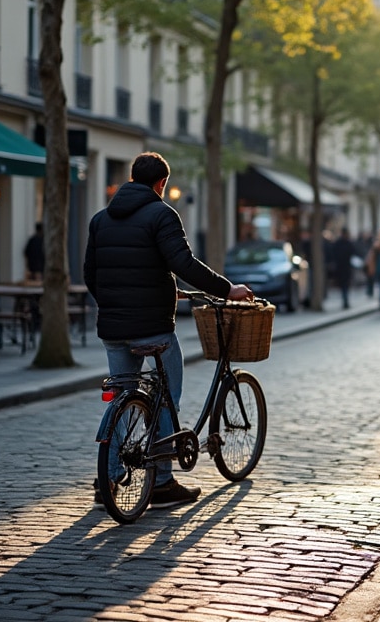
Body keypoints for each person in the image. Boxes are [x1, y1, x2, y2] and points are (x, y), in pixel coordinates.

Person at [84, 152, 253, 510]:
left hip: (113, 327)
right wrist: (227, 289)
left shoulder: (100, 219)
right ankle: (161, 482)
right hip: (153, 329)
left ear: (131, 178)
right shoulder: (163, 214)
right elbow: (182, 263)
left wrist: (116, 304)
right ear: (161, 183)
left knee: (123, 398)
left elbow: (91, 273)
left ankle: (106, 480)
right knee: (165, 398)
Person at [328, 227, 356, 310]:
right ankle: (345, 301)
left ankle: (345, 300)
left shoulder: (341, 243)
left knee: (345, 285)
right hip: (343, 268)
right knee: (344, 285)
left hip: (343, 268)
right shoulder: (345, 243)